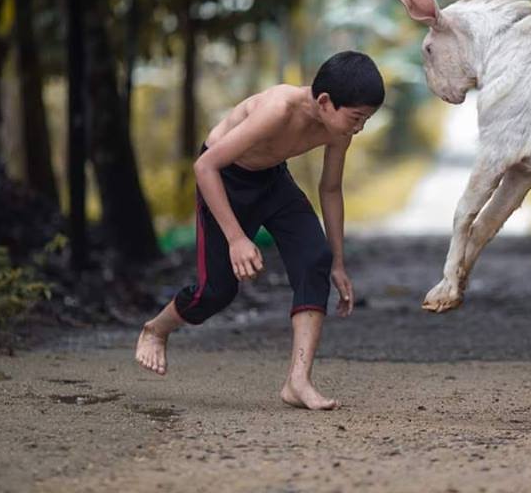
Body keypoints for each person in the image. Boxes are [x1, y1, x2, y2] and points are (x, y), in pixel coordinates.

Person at [135, 50, 384, 410]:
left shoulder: (338, 129)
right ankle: (156, 329)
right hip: (224, 180)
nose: (359, 127)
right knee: (215, 292)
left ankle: (298, 382)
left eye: (366, 119)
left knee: (315, 258)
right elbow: (205, 166)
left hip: (272, 180)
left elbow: (330, 189)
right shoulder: (278, 109)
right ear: (326, 101)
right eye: (357, 118)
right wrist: (237, 239)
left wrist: (339, 263)